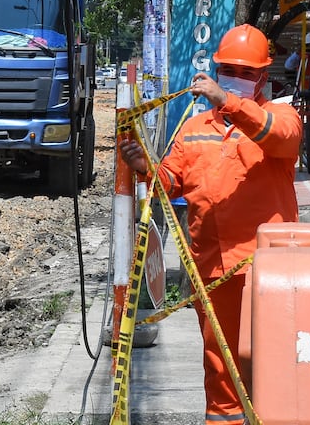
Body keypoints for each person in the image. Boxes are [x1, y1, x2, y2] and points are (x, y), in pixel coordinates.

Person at [118, 24, 300, 423]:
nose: (237, 77)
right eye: (230, 69)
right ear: (216, 69)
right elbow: (170, 181)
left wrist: (230, 101)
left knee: (278, 367)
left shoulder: (281, 116)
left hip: (270, 272)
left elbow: (280, 137)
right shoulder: (195, 129)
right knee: (221, 371)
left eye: (248, 72)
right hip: (213, 272)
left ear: (264, 78)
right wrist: (146, 168)